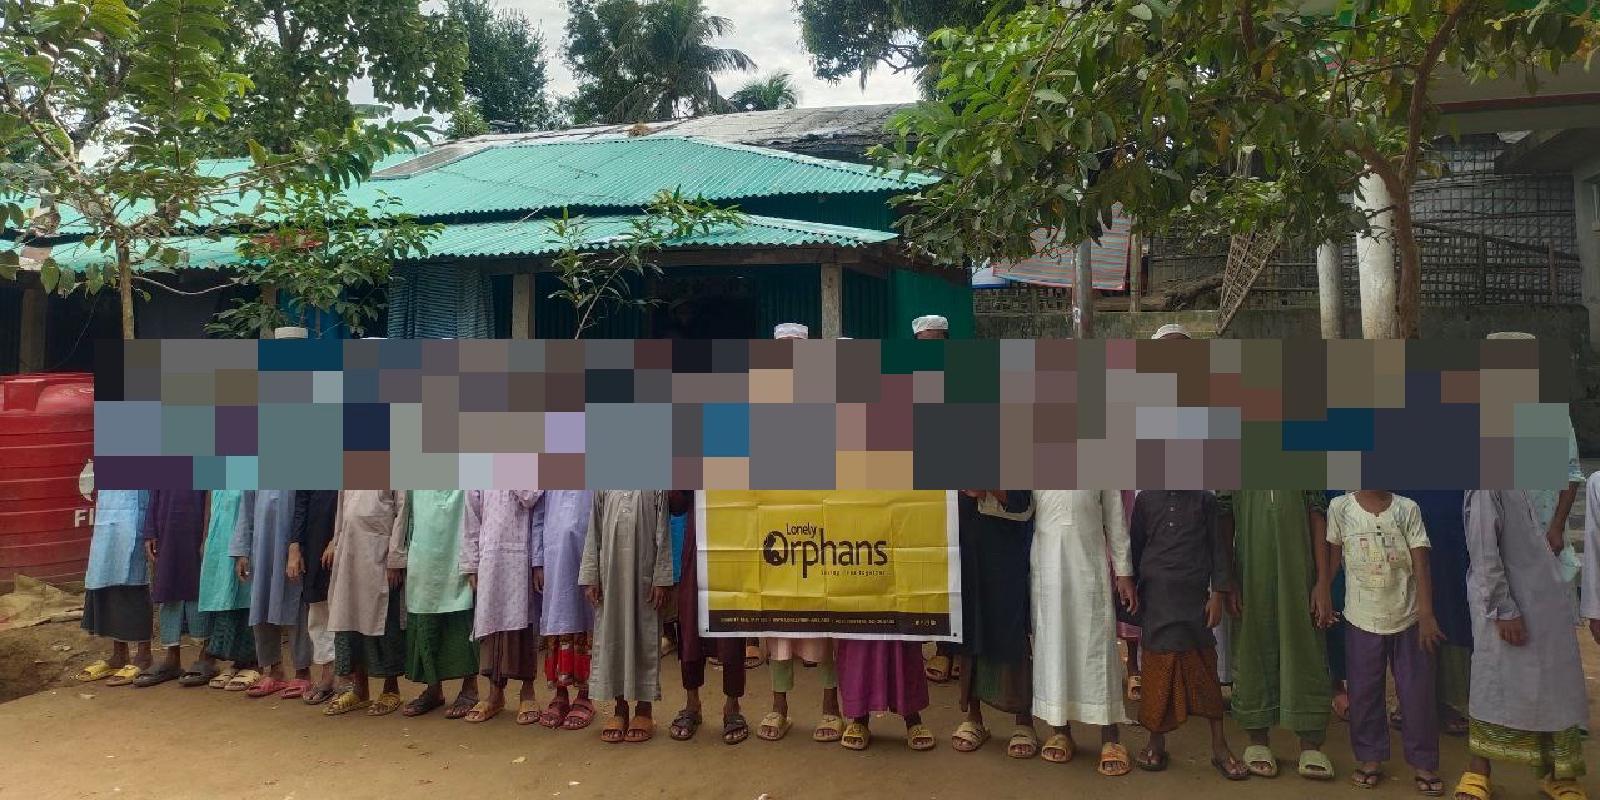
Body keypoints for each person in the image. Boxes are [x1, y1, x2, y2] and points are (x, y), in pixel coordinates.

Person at [1455, 490, 1589, 800]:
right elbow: (1483, 548)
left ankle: (1561, 773)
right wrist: (1503, 608)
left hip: (1550, 597)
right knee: (1493, 684)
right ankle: (1479, 770)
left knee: (1558, 685)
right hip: (1505, 603)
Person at [1326, 491, 1444, 794]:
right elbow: (1334, 561)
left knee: (1417, 693)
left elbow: (1421, 564)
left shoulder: (1407, 509)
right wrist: (1322, 590)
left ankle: (1424, 763)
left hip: (1409, 617)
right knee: (1363, 692)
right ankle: (1370, 759)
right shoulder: (1341, 508)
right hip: (1361, 617)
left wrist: (1426, 614)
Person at [1127, 490, 1248, 780]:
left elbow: (1218, 550)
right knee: (1157, 672)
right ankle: (1155, 741)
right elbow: (1135, 548)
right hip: (1156, 600)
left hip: (1195, 601)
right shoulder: (1146, 500)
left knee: (1204, 670)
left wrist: (1217, 594)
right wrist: (1130, 585)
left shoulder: (1204, 500)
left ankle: (1219, 747)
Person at [1223, 490, 1336, 780]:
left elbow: (1317, 514)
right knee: (1252, 645)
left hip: (1300, 575)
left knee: (1306, 648)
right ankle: (1257, 739)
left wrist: (1323, 582)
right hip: (1250, 573)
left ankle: (1311, 743)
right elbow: (1225, 516)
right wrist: (1228, 579)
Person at [1031, 490, 1135, 776]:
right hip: (1048, 570)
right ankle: (1060, 731)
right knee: (1054, 646)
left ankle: (1110, 737)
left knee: (1098, 648)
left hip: (1089, 567)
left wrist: (1124, 572)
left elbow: (1115, 517)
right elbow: (1020, 507)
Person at [949, 490, 1037, 759]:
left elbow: (1024, 501)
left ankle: (1024, 720)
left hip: (1006, 544)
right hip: (965, 536)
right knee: (970, 623)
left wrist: (990, 487)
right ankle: (973, 717)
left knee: (1011, 622)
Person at [581, 490, 674, 744]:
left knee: (644, 638)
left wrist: (662, 577)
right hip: (610, 579)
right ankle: (620, 708)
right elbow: (594, 531)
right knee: (613, 638)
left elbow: (664, 532)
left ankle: (644, 710)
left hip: (644, 579)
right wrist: (591, 575)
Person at [665, 490, 749, 744]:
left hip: (733, 541)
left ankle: (732, 705)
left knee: (731, 623)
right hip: (696, 543)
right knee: (690, 623)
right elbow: (676, 505)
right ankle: (692, 703)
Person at [323, 490, 409, 716]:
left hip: (379, 554)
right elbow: (342, 513)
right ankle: (360, 690)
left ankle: (391, 690)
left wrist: (395, 558)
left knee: (385, 623)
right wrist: (336, 543)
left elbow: (402, 511)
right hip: (349, 553)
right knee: (351, 621)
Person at [460, 490, 542, 723]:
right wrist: (471, 564)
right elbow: (471, 516)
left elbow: (531, 496)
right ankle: (495, 694)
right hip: (490, 555)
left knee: (524, 623)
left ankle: (528, 692)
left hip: (523, 554)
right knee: (491, 623)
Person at [399, 490, 480, 719]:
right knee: (425, 616)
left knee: (462, 614)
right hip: (423, 547)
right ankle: (433, 689)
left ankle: (470, 688)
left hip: (458, 545)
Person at [232, 490, 314, 698]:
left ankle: (302, 672)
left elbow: (307, 502)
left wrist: (301, 544)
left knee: (295, 604)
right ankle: (274, 670)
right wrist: (242, 551)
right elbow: (246, 508)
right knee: (261, 603)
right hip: (261, 545)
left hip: (293, 543)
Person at [532, 490, 598, 730]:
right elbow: (539, 514)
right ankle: (560, 694)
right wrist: (537, 561)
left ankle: (585, 695)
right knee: (557, 620)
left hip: (587, 552)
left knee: (586, 618)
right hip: (554, 555)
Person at [134, 489, 212, 687]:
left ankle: (207, 655)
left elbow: (211, 496)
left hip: (196, 526)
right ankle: (172, 658)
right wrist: (150, 531)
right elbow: (154, 493)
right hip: (166, 527)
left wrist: (207, 534)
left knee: (200, 586)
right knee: (167, 586)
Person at [76, 490, 154, 687]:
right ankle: (119, 654)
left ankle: (144, 655)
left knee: (135, 582)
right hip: (108, 518)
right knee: (107, 577)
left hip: (136, 518)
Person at [196, 490, 258, 689]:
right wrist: (206, 536)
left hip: (246, 537)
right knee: (225, 596)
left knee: (246, 594)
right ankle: (236, 662)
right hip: (220, 537)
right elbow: (210, 500)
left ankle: (253, 662)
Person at [287, 490, 338, 705]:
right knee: (318, 607)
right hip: (315, 537)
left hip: (351, 534)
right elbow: (302, 500)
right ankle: (328, 673)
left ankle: (349, 678)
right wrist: (295, 545)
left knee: (347, 608)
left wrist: (337, 538)